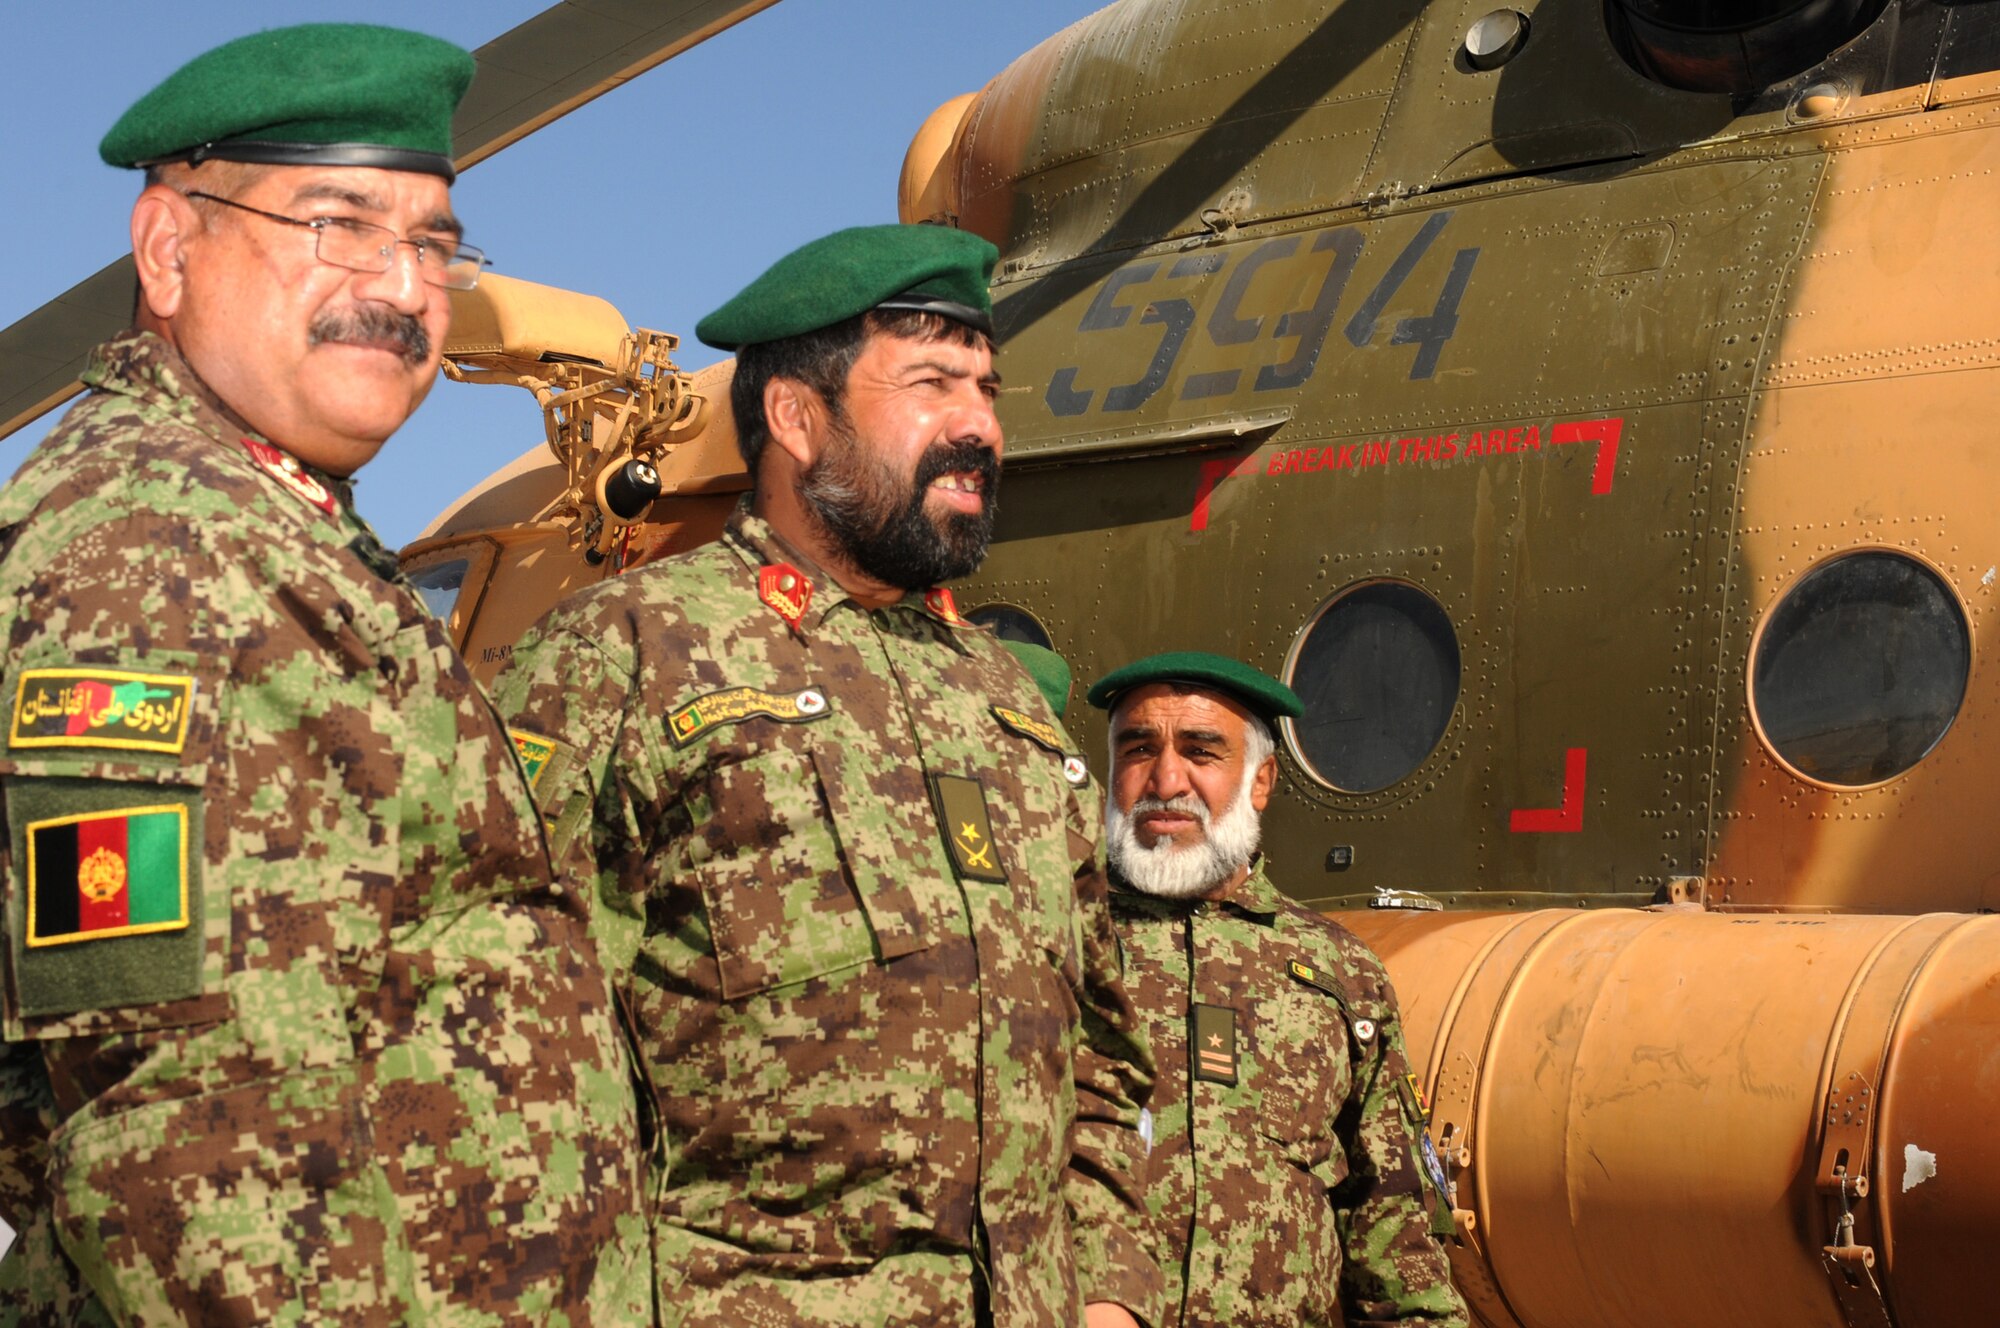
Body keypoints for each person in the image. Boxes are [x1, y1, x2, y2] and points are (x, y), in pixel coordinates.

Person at [0, 26, 645, 1325]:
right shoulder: (157, 551)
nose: (402, 287)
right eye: (338, 225)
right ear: (168, 249)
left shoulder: (281, 533)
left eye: (433, 244)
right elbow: (191, 1130)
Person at [497, 224, 1163, 1328]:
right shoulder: (624, 656)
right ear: (797, 419)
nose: (980, 426)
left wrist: (1111, 1297)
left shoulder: (1002, 696)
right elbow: (503, 1053)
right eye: (932, 384)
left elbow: (1100, 1050)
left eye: (986, 389)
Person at [1087, 651, 1468, 1328]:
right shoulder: (1049, 943)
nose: (1166, 781)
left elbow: (1393, 1227)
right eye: (1139, 750)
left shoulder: (1339, 974)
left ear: (1260, 780)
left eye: (1201, 752)